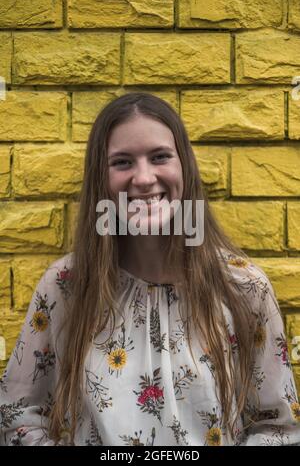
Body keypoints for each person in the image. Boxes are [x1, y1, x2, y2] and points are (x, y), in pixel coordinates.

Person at [0, 92, 299, 446]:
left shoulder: (244, 287)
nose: (143, 178)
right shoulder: (66, 285)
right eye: (122, 162)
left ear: (184, 165)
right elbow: (16, 414)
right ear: (100, 176)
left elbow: (280, 428)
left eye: (159, 157)